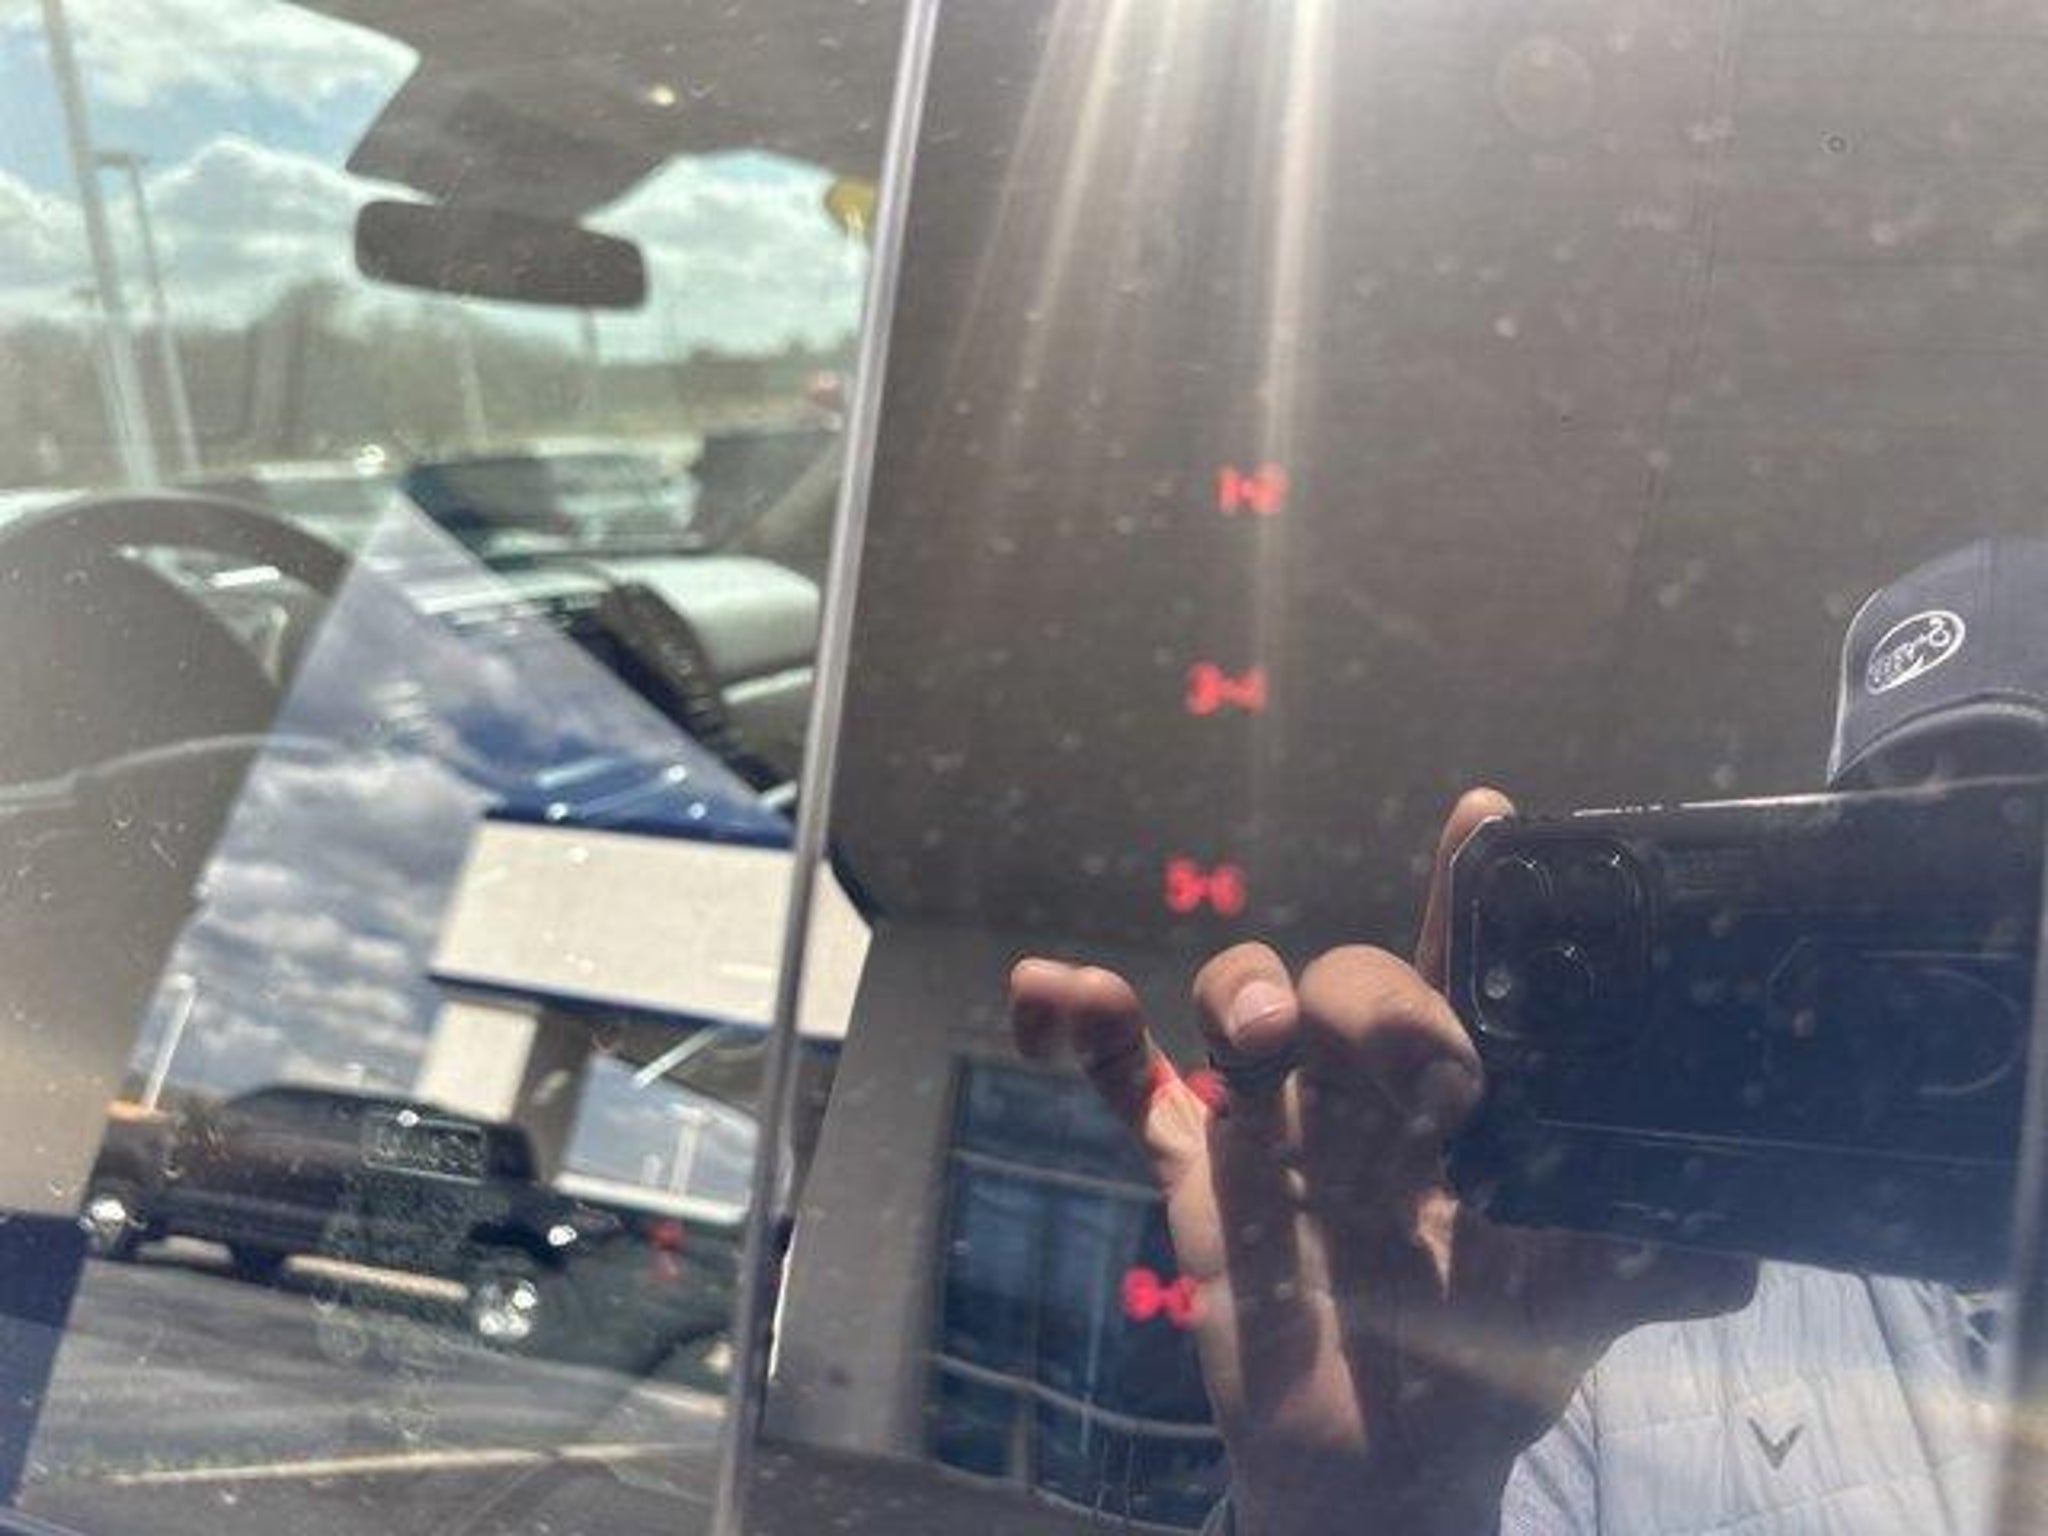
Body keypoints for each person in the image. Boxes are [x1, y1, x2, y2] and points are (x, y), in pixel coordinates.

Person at [1008, 539, 2043, 1534]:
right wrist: (1371, 1519)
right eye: (1906, 875)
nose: (1973, 962)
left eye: (2021, 868)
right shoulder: (1621, 1322)